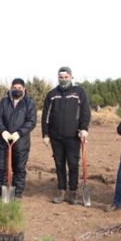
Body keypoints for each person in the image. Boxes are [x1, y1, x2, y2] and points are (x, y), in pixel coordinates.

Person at [41, 67, 91, 204]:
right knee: (59, 164)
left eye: (66, 77)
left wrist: (84, 129)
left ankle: (73, 192)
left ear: (71, 77)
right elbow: (45, 116)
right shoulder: (52, 94)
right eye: (61, 77)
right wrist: (45, 134)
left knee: (73, 164)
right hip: (56, 137)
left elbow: (85, 113)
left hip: (73, 137)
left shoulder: (79, 92)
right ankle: (62, 190)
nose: (63, 80)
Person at [0, 78, 37, 199]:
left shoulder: (29, 104)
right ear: (11, 88)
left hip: (21, 142)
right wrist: (3, 131)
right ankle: (2, 194)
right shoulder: (3, 103)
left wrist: (19, 133)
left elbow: (31, 121)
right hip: (4, 141)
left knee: (19, 169)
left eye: (19, 88)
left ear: (24, 89)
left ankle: (16, 194)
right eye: (14, 88)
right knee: (2, 168)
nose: (17, 90)